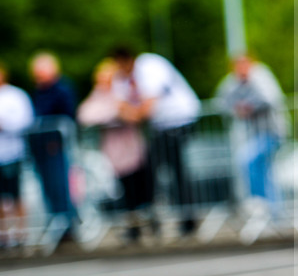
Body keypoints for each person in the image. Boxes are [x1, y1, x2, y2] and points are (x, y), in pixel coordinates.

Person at [111, 47, 201, 236]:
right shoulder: (124, 77)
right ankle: (157, 217)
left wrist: (132, 113)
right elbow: (121, 105)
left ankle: (187, 217)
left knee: (171, 169)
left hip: (178, 120)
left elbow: (147, 106)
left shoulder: (149, 65)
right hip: (162, 126)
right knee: (154, 169)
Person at [78, 59, 154, 242]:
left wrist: (121, 111)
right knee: (125, 189)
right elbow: (85, 114)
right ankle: (132, 227)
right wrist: (116, 112)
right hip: (115, 151)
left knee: (142, 186)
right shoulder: (99, 95)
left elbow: (135, 113)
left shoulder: (123, 91)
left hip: (132, 146)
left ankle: (149, 223)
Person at [215, 53, 287, 209]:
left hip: (272, 131)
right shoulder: (234, 81)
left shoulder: (261, 77)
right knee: (264, 171)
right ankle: (274, 211)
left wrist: (249, 106)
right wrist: (236, 109)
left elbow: (270, 99)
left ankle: (261, 203)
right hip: (254, 134)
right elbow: (222, 100)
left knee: (247, 160)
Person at [28, 51, 79, 242]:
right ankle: (59, 222)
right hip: (41, 146)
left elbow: (65, 116)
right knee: (49, 187)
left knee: (61, 185)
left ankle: (68, 224)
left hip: (56, 145)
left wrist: (54, 139)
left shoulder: (62, 89)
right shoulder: (39, 90)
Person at [0, 60, 35, 251]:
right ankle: (3, 235)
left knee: (16, 194)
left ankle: (21, 233)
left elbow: (24, 121)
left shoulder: (15, 96)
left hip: (11, 152)